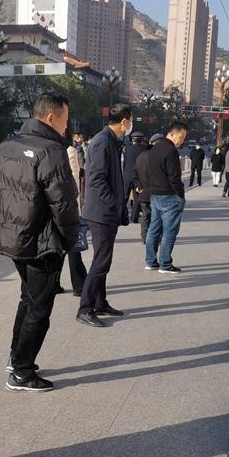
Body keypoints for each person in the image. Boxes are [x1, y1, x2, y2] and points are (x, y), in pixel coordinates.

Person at [0, 93, 80, 391]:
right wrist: (70, 239)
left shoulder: (5, 147)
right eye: (65, 120)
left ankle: (17, 358)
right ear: (51, 118)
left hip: (15, 237)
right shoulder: (52, 150)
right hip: (42, 241)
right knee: (39, 307)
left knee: (28, 298)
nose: (66, 126)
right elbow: (63, 202)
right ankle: (22, 372)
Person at [77, 103, 134, 327]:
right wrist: (113, 203)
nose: (130, 125)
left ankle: (100, 303)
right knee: (101, 261)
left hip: (107, 211)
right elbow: (96, 179)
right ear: (124, 121)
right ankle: (85, 308)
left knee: (104, 260)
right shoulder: (103, 141)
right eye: (130, 121)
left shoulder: (112, 141)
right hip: (101, 212)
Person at [142, 121, 189, 273]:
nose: (181, 141)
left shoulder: (154, 149)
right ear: (172, 134)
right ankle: (165, 264)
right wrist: (181, 195)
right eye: (181, 137)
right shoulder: (171, 151)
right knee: (169, 231)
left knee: (153, 229)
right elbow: (174, 178)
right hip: (170, 196)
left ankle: (150, 261)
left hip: (155, 195)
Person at [64, 131, 89, 295]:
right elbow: (74, 180)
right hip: (67, 206)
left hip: (55, 205)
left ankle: (55, 284)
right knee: (73, 247)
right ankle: (79, 285)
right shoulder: (69, 151)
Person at [131, 134, 160, 243]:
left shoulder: (139, 157)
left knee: (145, 215)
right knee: (156, 216)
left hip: (143, 191)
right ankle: (154, 237)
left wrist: (138, 186)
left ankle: (144, 236)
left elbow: (134, 173)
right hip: (155, 191)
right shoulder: (156, 157)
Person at [123, 130, 148, 216]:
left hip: (127, 175)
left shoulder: (127, 149)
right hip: (138, 177)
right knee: (137, 198)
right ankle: (134, 216)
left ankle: (121, 215)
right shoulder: (144, 149)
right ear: (141, 139)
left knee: (124, 196)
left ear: (133, 139)